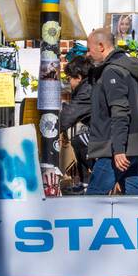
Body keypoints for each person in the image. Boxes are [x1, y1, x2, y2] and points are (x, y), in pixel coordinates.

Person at [86, 27, 138, 195]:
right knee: (133, 199)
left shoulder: (112, 71)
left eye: (89, 49)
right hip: (134, 144)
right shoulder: (131, 69)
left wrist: (119, 149)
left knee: (93, 198)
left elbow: (120, 111)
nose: (88, 54)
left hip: (115, 148)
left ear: (101, 46)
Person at [60, 53, 95, 192]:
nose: (70, 84)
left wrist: (50, 131)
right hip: (104, 131)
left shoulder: (86, 91)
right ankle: (85, 180)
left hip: (106, 135)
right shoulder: (89, 85)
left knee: (79, 140)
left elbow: (68, 117)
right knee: (78, 140)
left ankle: (87, 181)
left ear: (79, 77)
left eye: (70, 79)